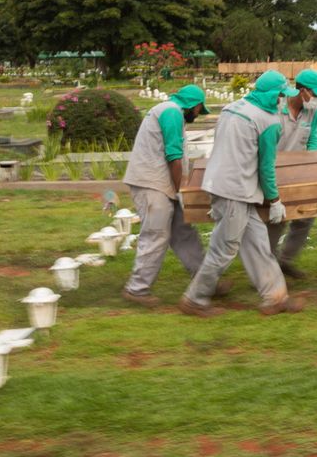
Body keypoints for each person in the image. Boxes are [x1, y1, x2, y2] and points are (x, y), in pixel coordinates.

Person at [179, 70, 305, 317]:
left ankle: (275, 297)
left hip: (222, 183)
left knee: (258, 244)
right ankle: (195, 298)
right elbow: (266, 167)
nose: (281, 101)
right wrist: (275, 200)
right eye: (280, 96)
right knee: (223, 249)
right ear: (271, 95)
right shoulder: (268, 122)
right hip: (236, 190)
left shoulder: (231, 109)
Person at [121, 85, 210, 307]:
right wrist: (181, 190)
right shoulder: (171, 112)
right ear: (194, 104)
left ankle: (206, 281)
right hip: (151, 184)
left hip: (161, 182)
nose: (198, 115)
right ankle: (137, 289)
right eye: (200, 109)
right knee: (156, 234)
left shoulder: (170, 111)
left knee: (183, 231)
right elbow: (174, 156)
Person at [266, 69, 317, 279]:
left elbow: (313, 137)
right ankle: (266, 267)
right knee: (277, 220)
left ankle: (285, 261)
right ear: (302, 90)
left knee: (306, 215)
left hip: (300, 171)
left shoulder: (312, 111)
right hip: (274, 171)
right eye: (315, 94)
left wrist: (313, 163)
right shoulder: (276, 109)